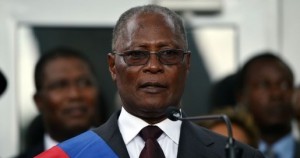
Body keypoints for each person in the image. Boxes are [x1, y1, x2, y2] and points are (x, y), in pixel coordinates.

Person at [36, 4, 264, 158]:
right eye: (136, 55)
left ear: (187, 64)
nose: (154, 66)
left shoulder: (234, 155)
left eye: (168, 54)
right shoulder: (70, 155)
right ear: (113, 66)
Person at [16, 47, 103, 158]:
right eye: (60, 85)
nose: (75, 95)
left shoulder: (125, 153)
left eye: (84, 83)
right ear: (39, 101)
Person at [236, 52, 300, 158]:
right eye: (264, 85)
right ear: (241, 96)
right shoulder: (229, 154)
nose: (276, 94)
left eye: (284, 85)